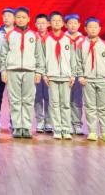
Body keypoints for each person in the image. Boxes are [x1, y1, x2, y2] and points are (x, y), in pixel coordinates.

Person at [0, 7, 44, 139]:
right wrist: (3, 70)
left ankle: (27, 127)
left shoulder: (34, 36)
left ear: (28, 19)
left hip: (30, 71)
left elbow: (39, 55)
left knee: (28, 100)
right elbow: (3, 55)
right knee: (14, 100)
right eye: (18, 17)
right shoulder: (9, 35)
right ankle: (17, 127)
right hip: (12, 71)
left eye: (23, 17)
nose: (20, 20)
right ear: (14, 19)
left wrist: (39, 72)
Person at [76, 17, 105, 142]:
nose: (93, 29)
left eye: (95, 27)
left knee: (104, 107)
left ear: (99, 29)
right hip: (88, 80)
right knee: (90, 107)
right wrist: (80, 75)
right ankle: (92, 132)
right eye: (90, 27)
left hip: (103, 79)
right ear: (85, 29)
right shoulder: (81, 45)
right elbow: (78, 62)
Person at [42, 11, 76, 139]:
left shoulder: (68, 39)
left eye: (59, 21)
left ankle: (66, 129)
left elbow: (73, 58)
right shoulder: (45, 39)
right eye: (54, 20)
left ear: (63, 24)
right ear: (49, 23)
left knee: (65, 104)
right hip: (52, 76)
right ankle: (57, 129)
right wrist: (44, 74)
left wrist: (73, 74)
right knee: (54, 103)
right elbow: (42, 58)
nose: (56, 23)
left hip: (66, 76)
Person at [0, 8, 15, 130]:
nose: (6, 18)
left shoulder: (18, 32)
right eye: (5, 16)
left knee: (13, 96)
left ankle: (13, 119)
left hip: (13, 68)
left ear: (14, 18)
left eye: (9, 16)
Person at [65, 14, 85, 135]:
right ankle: (67, 124)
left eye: (75, 23)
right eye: (70, 23)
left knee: (77, 100)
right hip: (65, 74)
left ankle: (77, 124)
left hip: (79, 74)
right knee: (65, 100)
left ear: (79, 25)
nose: (72, 25)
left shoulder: (84, 40)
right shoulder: (62, 39)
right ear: (66, 25)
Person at [34, 13, 53, 133]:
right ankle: (40, 121)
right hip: (36, 72)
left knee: (49, 97)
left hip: (50, 72)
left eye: (43, 23)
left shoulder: (52, 38)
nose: (41, 25)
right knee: (37, 97)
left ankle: (49, 122)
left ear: (48, 24)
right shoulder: (32, 37)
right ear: (35, 24)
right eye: (39, 23)